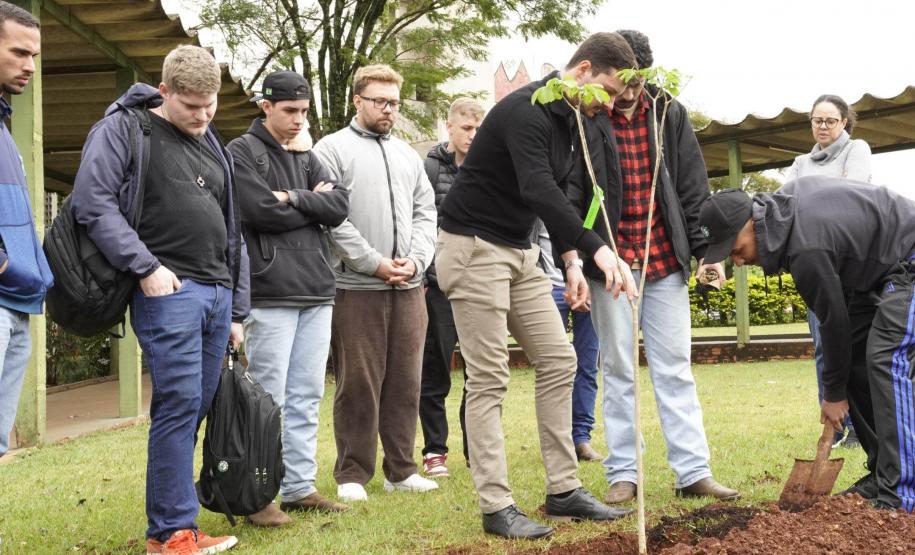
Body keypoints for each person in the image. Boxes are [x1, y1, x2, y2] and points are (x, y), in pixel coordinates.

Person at [436, 32, 638, 539]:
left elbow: (559, 194)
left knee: (559, 359)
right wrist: (596, 248)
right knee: (489, 377)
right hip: (474, 246)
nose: (611, 105)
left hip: (523, 251)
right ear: (583, 69)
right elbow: (538, 188)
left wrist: (570, 260)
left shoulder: (572, 120)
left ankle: (564, 489)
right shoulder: (523, 110)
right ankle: (496, 506)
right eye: (609, 92)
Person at [70, 45, 250, 554]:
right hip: (169, 291)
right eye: (191, 105)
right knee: (178, 404)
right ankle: (171, 532)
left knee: (196, 405)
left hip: (217, 295)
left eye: (210, 104)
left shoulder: (213, 142)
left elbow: (232, 229)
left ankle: (176, 519)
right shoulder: (126, 129)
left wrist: (237, 307)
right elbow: (92, 202)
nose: (203, 115)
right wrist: (146, 267)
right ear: (164, 91)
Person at [575, 29, 738, 506]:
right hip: (610, 262)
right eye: (619, 83)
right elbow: (575, 189)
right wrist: (584, 253)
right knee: (619, 367)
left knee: (674, 368)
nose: (626, 93)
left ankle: (693, 471)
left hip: (664, 261)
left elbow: (691, 186)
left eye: (634, 82)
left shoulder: (669, 112)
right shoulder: (587, 113)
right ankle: (624, 472)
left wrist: (708, 252)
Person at [698, 179, 915, 513]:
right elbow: (839, 320)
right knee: (858, 353)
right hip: (878, 272)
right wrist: (837, 386)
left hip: (908, 257)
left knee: (886, 356)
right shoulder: (784, 218)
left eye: (735, 249)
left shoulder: (804, 247)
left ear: (749, 224)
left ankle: (902, 491)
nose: (737, 262)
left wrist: (833, 394)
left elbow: (833, 321)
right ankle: (883, 472)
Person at [228, 70, 351, 526]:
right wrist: (306, 203)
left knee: (306, 395)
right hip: (270, 291)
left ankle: (300, 488)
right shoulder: (241, 152)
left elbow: (339, 207)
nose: (299, 120)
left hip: (317, 290)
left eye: (304, 111)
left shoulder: (307, 154)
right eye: (290, 111)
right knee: (267, 399)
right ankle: (259, 494)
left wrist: (290, 197)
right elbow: (259, 211)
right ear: (266, 106)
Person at [312, 64, 438, 503]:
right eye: (380, 101)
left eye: (394, 103)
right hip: (356, 287)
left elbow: (426, 211)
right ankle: (352, 473)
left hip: (409, 286)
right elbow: (331, 218)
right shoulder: (330, 150)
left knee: (407, 381)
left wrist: (418, 259)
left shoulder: (407, 154)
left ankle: (401, 470)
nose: (388, 110)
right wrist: (374, 263)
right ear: (356, 101)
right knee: (358, 383)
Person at [785, 93, 872, 448]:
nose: (822, 127)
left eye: (830, 121)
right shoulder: (800, 161)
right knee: (823, 346)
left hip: (852, 266)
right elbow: (782, 203)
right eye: (816, 121)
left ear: (844, 122)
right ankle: (837, 425)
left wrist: (809, 205)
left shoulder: (857, 150)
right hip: (815, 264)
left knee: (854, 345)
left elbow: (852, 194)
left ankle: (862, 421)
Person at [419, 97, 484, 478]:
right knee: (436, 370)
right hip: (439, 285)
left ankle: (476, 448)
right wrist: (429, 276)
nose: (472, 136)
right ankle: (434, 451)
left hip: (480, 285)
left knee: (480, 372)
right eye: (466, 129)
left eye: (478, 129)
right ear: (450, 127)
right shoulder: (429, 169)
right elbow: (423, 225)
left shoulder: (489, 169)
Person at [0, 1, 53, 458]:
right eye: (19, 53)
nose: (30, 66)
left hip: (16, 299)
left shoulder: (3, 123)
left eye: (33, 55)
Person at [533, 221, 602, 462]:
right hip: (548, 287)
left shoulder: (591, 189)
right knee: (554, 369)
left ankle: (581, 438)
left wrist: (593, 280)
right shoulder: (537, 189)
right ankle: (557, 441)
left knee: (588, 365)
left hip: (591, 286)